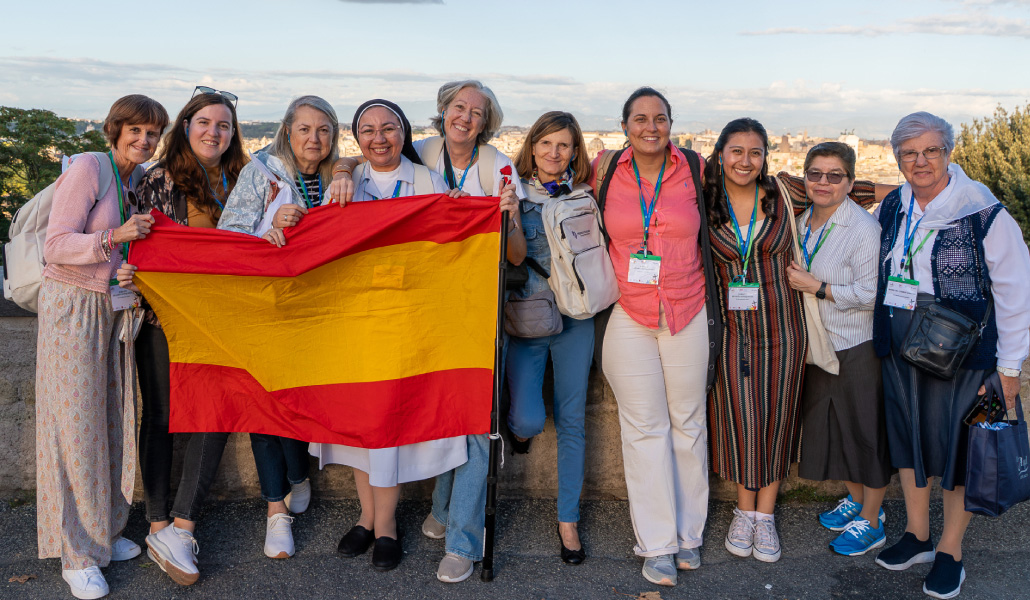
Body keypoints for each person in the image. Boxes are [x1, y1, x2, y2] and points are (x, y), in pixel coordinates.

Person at [330, 80, 526, 583]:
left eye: (476, 112)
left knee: (440, 422)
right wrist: (342, 167)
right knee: (365, 420)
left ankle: (421, 529)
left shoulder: (481, 168)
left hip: (440, 316)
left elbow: (490, 247)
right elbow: (360, 165)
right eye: (458, 108)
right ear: (441, 114)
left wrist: (501, 218)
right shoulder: (399, 159)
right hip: (364, 317)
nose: (465, 117)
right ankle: (380, 518)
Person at [869, 112, 1030, 599]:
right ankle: (917, 535)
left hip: (960, 348)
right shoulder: (895, 204)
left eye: (930, 150)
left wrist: (1009, 367)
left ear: (949, 153)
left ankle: (949, 550)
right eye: (909, 153)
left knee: (958, 450)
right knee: (908, 437)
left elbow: (1015, 292)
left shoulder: (983, 210)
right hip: (899, 340)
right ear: (897, 159)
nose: (920, 161)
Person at [308, 98, 455, 572]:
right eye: (367, 130)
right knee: (360, 424)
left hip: (405, 317)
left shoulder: (429, 180)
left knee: (388, 425)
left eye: (389, 128)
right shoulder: (346, 182)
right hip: (356, 317)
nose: (379, 138)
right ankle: (367, 517)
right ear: (357, 138)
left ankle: (386, 524)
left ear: (403, 132)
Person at [35, 94, 168, 599]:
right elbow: (56, 245)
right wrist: (114, 238)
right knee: (74, 429)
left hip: (107, 309)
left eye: (153, 133)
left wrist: (122, 269)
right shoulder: (90, 167)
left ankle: (104, 532)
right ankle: (77, 554)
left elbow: (112, 254)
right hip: (71, 309)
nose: (144, 140)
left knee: (109, 419)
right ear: (115, 129)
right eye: (135, 130)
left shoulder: (130, 180)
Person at [114, 87, 248, 585]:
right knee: (164, 419)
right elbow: (145, 247)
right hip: (163, 321)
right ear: (186, 127)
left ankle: (182, 525)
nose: (215, 132)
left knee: (214, 415)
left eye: (225, 125)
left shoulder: (243, 180)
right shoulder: (159, 179)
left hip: (218, 321)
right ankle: (156, 522)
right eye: (205, 123)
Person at [594, 87, 721, 587]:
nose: (651, 127)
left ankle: (690, 532)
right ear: (625, 125)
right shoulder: (605, 168)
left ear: (671, 124)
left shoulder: (693, 166)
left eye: (661, 118)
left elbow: (753, 184)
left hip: (687, 307)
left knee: (688, 423)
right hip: (629, 311)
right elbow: (543, 173)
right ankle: (658, 544)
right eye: (641, 118)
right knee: (643, 429)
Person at [217, 95, 342, 559]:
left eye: (324, 130)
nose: (314, 139)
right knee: (263, 406)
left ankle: (296, 476)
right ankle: (276, 513)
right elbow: (230, 236)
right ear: (287, 131)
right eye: (305, 129)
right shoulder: (262, 171)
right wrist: (268, 228)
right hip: (267, 308)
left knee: (299, 403)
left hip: (320, 313)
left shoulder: (339, 176)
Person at [784, 142, 892, 557]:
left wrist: (821, 288)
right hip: (817, 344)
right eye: (815, 174)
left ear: (851, 182)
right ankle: (858, 499)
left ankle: (873, 518)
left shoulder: (863, 229)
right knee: (835, 430)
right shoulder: (801, 218)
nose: (823, 182)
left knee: (865, 434)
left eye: (834, 176)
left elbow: (872, 293)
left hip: (854, 345)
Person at [505, 111, 596, 566]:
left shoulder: (586, 195)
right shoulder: (515, 193)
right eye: (546, 144)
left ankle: (568, 520)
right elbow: (516, 256)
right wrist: (513, 216)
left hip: (576, 318)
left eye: (563, 145)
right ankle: (519, 434)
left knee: (573, 421)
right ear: (532, 147)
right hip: (529, 315)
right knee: (526, 420)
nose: (554, 153)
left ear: (574, 151)